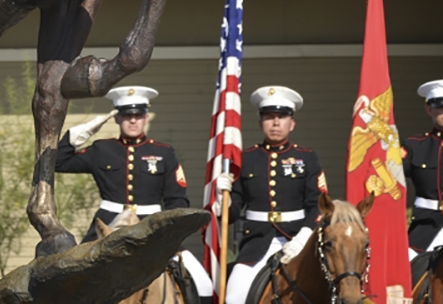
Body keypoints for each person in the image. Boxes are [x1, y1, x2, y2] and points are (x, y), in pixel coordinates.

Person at [55, 85, 213, 303]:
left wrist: (170, 233)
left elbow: (177, 200)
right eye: (126, 115)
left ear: (146, 117)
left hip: (154, 229)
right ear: (117, 119)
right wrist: (81, 132)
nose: (132, 120)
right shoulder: (102, 150)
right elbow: (58, 161)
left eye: (137, 115)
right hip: (107, 228)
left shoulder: (163, 153)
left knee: (203, 283)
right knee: (71, 279)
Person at [214, 86, 327, 304]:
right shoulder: (245, 159)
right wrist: (221, 199)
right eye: (269, 117)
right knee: (234, 296)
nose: (275, 123)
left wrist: (305, 235)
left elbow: (319, 205)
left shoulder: (307, 158)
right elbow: (234, 211)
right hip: (256, 243)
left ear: (292, 124)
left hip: (299, 240)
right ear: (260, 123)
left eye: (282, 117)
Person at [403, 79, 443, 259]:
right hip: (426, 228)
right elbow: (389, 182)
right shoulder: (415, 146)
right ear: (429, 109)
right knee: (405, 269)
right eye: (441, 106)